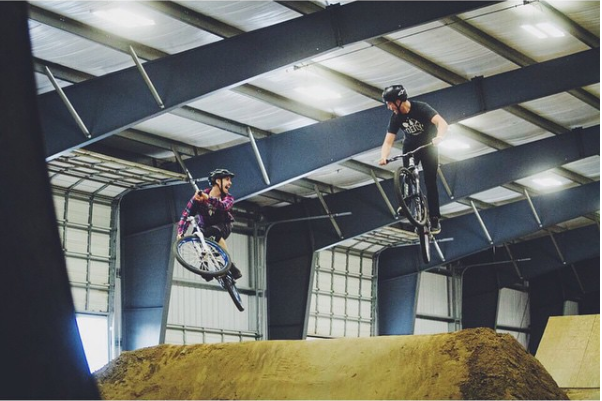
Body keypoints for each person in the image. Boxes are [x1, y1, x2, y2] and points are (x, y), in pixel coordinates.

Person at [378, 85, 448, 234]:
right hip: (410, 147)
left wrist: (439, 137)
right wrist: (384, 156)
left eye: (390, 103)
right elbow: (388, 141)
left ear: (399, 101)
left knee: (430, 182)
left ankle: (435, 219)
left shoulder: (421, 108)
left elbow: (442, 123)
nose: (389, 107)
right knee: (406, 174)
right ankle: (407, 202)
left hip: (429, 146)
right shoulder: (396, 117)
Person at [176, 168, 242, 281]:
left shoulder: (228, 198)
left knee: (214, 231)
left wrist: (208, 199)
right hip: (205, 226)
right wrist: (180, 232)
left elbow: (224, 206)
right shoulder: (199, 197)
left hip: (223, 225)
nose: (230, 183)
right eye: (227, 180)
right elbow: (186, 214)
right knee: (196, 235)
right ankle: (204, 263)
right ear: (217, 181)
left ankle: (230, 264)